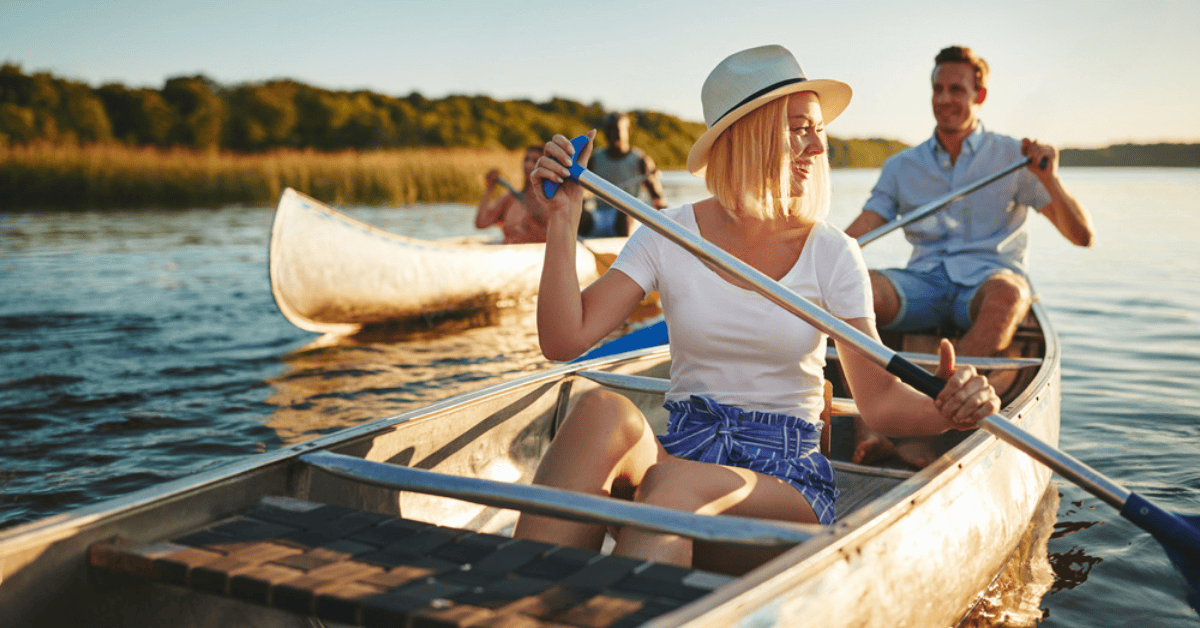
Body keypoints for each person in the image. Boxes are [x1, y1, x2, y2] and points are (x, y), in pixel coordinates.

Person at [514, 45, 1000, 573]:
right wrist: (562, 218)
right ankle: (514, 603)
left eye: (819, 130)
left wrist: (947, 407)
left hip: (783, 488)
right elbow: (563, 341)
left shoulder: (832, 252)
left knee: (674, 485)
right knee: (599, 411)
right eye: (800, 129)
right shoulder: (668, 233)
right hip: (681, 457)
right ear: (750, 135)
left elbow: (879, 403)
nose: (818, 147)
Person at [843, 45, 1094, 467]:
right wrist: (814, 260)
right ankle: (870, 429)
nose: (944, 99)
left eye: (956, 89)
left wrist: (1049, 180)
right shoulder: (903, 166)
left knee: (1008, 297)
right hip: (924, 282)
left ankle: (929, 413)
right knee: (854, 286)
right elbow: (865, 227)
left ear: (979, 96)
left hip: (990, 280)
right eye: (938, 89)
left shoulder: (1015, 157)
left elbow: (1081, 236)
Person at [579, 112, 668, 237]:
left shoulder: (640, 160)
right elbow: (581, 192)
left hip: (629, 217)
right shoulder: (595, 159)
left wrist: (667, 223)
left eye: (616, 130)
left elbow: (658, 198)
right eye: (608, 130)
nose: (612, 134)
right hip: (601, 214)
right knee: (581, 217)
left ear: (628, 131)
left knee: (624, 215)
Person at [474, 145, 549, 244]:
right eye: (526, 160)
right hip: (508, 254)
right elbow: (481, 223)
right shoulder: (510, 199)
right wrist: (490, 188)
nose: (528, 165)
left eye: (535, 161)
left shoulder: (552, 202)